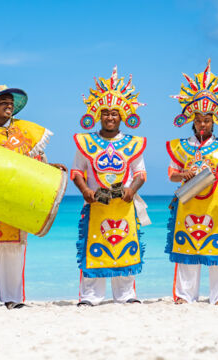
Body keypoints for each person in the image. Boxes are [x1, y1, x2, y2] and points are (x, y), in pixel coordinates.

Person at [0, 85, 65, 310]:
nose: (9, 106)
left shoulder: (24, 131)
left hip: (16, 195)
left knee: (13, 250)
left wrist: (50, 168)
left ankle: (13, 299)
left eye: (11, 103)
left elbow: (37, 161)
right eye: (4, 102)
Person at [71, 66, 149, 307]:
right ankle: (90, 296)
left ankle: (125, 295)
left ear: (122, 116)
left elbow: (140, 173)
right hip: (96, 205)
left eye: (115, 113)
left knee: (126, 245)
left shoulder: (132, 144)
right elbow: (76, 172)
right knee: (93, 247)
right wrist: (86, 191)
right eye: (105, 113)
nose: (110, 117)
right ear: (98, 115)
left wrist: (131, 190)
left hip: (124, 206)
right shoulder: (86, 142)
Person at [165, 61, 218, 305]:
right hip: (187, 202)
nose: (203, 124)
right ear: (192, 121)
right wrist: (184, 174)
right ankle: (185, 295)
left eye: (207, 120)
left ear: (214, 121)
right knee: (186, 250)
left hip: (217, 205)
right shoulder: (181, 146)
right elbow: (171, 174)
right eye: (198, 120)